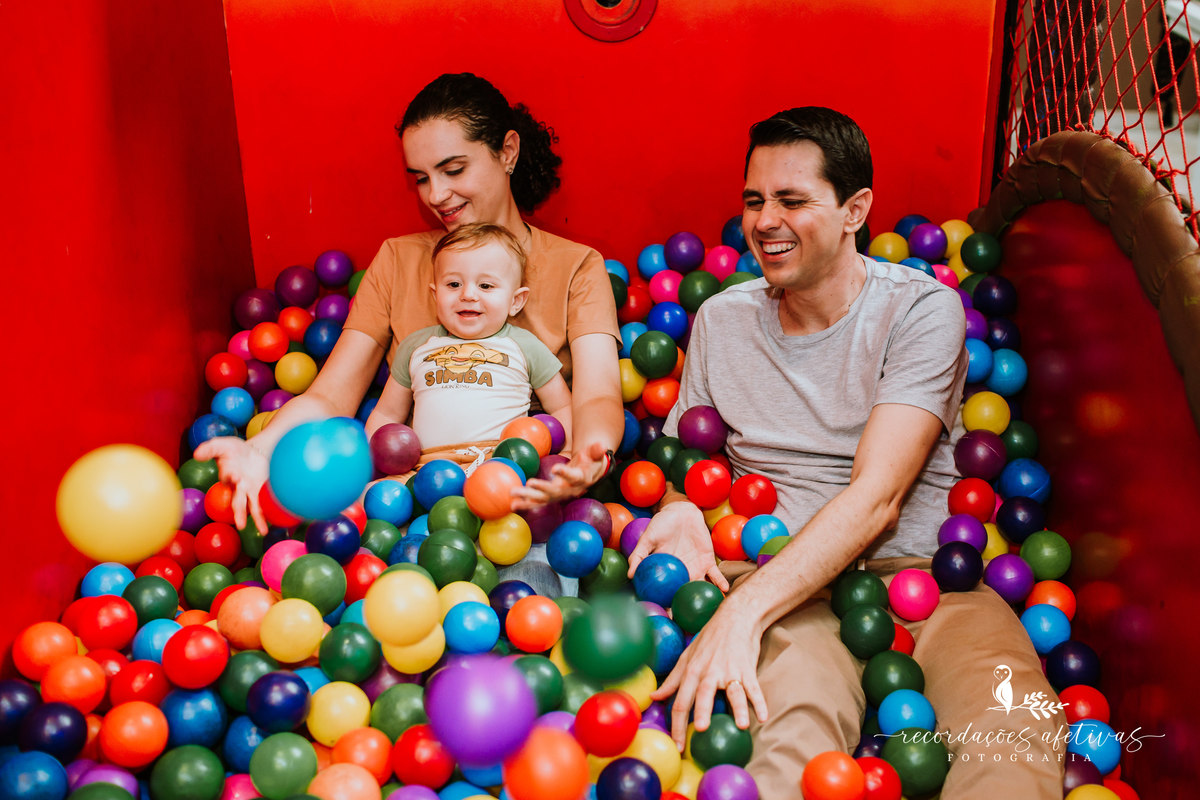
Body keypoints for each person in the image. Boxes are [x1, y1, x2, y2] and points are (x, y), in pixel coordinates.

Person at [627, 107, 1065, 797]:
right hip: (787, 585)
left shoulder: (923, 310)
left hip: (930, 580)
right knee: (790, 745)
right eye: (753, 200)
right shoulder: (721, 319)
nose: (765, 221)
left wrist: (740, 614)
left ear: (854, 208)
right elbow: (688, 455)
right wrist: (680, 508)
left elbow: (878, 499)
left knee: (1017, 738)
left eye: (792, 200)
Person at [195, 73, 622, 532]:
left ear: (507, 152)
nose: (436, 195)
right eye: (421, 178)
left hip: (526, 501)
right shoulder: (399, 259)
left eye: (453, 170)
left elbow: (597, 395)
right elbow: (332, 394)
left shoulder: (578, 266)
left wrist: (585, 461)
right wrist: (262, 449)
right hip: (412, 501)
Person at [369, 221, 571, 452]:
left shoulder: (525, 346)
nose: (467, 294)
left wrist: (567, 455)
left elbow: (562, 407)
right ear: (436, 295)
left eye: (485, 285)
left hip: (501, 466)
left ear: (515, 301)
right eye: (454, 284)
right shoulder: (415, 347)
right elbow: (387, 413)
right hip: (427, 471)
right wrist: (369, 463)